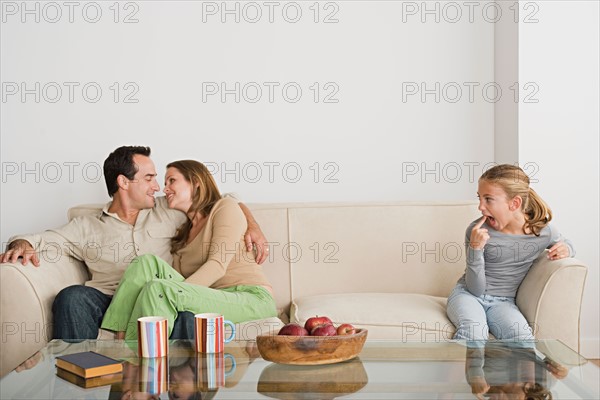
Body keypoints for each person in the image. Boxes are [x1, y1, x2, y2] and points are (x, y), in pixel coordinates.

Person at [0, 146, 270, 341]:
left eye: (165, 180)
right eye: (150, 179)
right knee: (72, 296)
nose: (159, 188)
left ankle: (128, 354)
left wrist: (251, 222)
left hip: (158, 296)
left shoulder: (167, 210)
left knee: (160, 288)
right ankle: (80, 376)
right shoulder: (85, 226)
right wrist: (21, 242)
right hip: (107, 299)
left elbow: (220, 201)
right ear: (123, 182)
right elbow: (45, 239)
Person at [101, 160, 277, 339]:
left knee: (159, 289)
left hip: (250, 298)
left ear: (195, 182)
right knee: (144, 263)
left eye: (172, 181)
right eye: (165, 183)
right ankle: (118, 338)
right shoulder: (182, 236)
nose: (165, 189)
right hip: (212, 297)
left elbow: (217, 265)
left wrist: (174, 293)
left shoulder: (224, 208)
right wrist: (175, 293)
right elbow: (185, 284)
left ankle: (134, 356)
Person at [446, 164, 575, 342]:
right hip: (468, 296)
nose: (480, 207)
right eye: (480, 198)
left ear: (514, 203)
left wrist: (567, 248)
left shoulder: (543, 232)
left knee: (523, 339)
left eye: (488, 199)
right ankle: (465, 370)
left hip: (504, 302)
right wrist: (475, 250)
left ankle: (527, 370)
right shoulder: (476, 231)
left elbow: (565, 242)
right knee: (474, 333)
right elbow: (475, 289)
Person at [465, 341, 567, 400]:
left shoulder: (481, 382)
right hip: (523, 329)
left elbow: (474, 345)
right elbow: (547, 346)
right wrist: (560, 364)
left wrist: (476, 376)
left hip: (493, 326)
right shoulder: (544, 384)